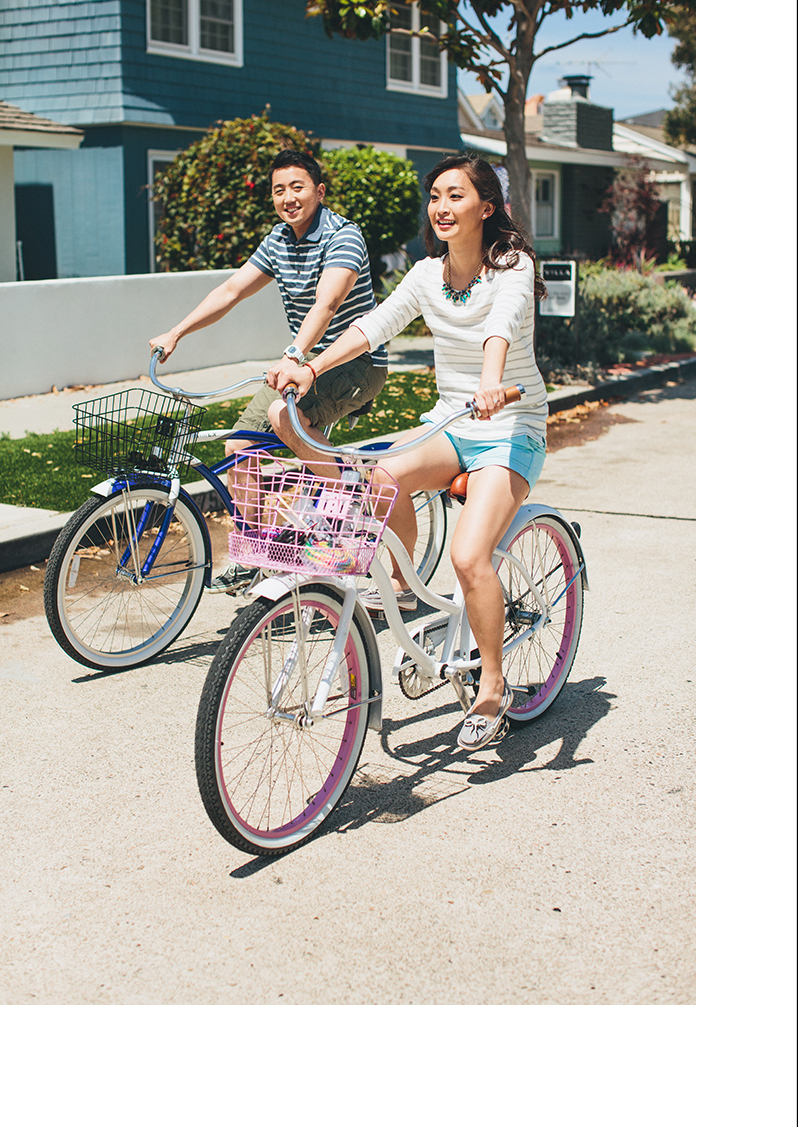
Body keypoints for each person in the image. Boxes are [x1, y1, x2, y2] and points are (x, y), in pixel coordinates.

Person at [269, 152, 548, 750]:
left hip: (509, 425)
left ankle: (492, 687)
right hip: (451, 422)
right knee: (381, 475)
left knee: (469, 557)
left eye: (456, 196)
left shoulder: (513, 267)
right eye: (435, 196)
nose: (442, 207)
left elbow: (500, 325)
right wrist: (310, 367)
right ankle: (401, 586)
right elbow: (373, 326)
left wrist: (490, 384)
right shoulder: (426, 273)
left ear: (487, 207)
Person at [149, 148, 388, 586]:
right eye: (279, 190)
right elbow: (231, 291)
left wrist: (293, 354)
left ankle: (350, 492)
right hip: (303, 362)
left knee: (285, 418)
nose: (288, 198)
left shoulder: (344, 236)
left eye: (298, 187)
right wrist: (176, 332)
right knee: (239, 447)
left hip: (356, 361)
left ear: (319, 191)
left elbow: (328, 302)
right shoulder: (279, 240)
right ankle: (254, 552)